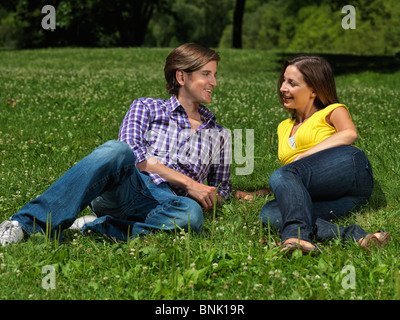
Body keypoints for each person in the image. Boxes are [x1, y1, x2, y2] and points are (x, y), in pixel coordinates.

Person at [0, 43, 233, 246]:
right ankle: (24, 224)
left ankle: (98, 226)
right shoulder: (147, 107)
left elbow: (221, 189)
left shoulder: (220, 134)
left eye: (215, 75)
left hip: (168, 203)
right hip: (127, 186)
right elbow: (134, 155)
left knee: (190, 215)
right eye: (207, 74)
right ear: (182, 77)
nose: (214, 82)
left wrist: (211, 195)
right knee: (117, 150)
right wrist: (190, 183)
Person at [259, 55, 390, 255]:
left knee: (281, 174)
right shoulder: (283, 127)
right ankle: (358, 237)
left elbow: (349, 133)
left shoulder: (331, 111)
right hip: (334, 197)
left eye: (291, 83)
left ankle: (297, 236)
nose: (282, 88)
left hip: (350, 170)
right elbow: (294, 181)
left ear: (314, 90)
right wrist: (262, 192)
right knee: (270, 214)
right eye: (284, 81)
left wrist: (306, 155)